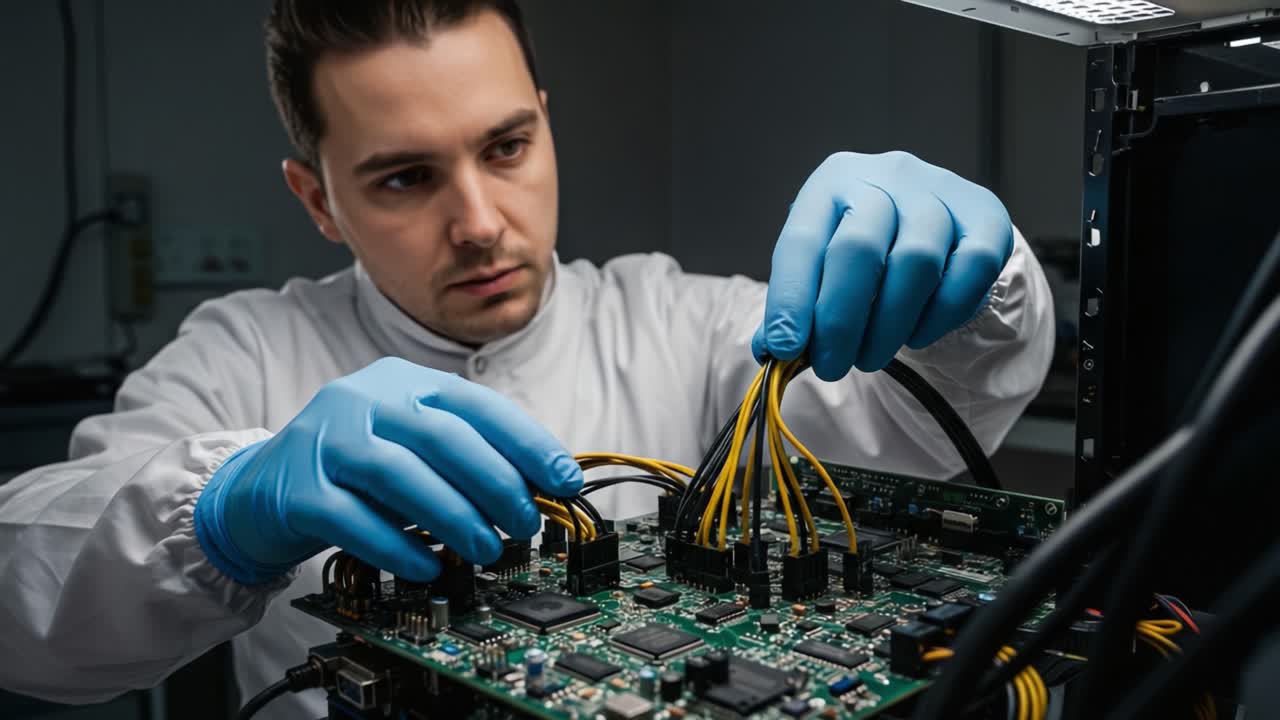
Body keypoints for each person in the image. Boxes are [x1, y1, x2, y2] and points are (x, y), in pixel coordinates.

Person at [0, 1, 1053, 717]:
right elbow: (24, 610)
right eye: (404, 179)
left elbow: (912, 424)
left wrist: (972, 285)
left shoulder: (675, 320)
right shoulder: (241, 354)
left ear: (545, 128)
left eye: (505, 148)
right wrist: (224, 511)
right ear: (317, 198)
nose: (478, 223)